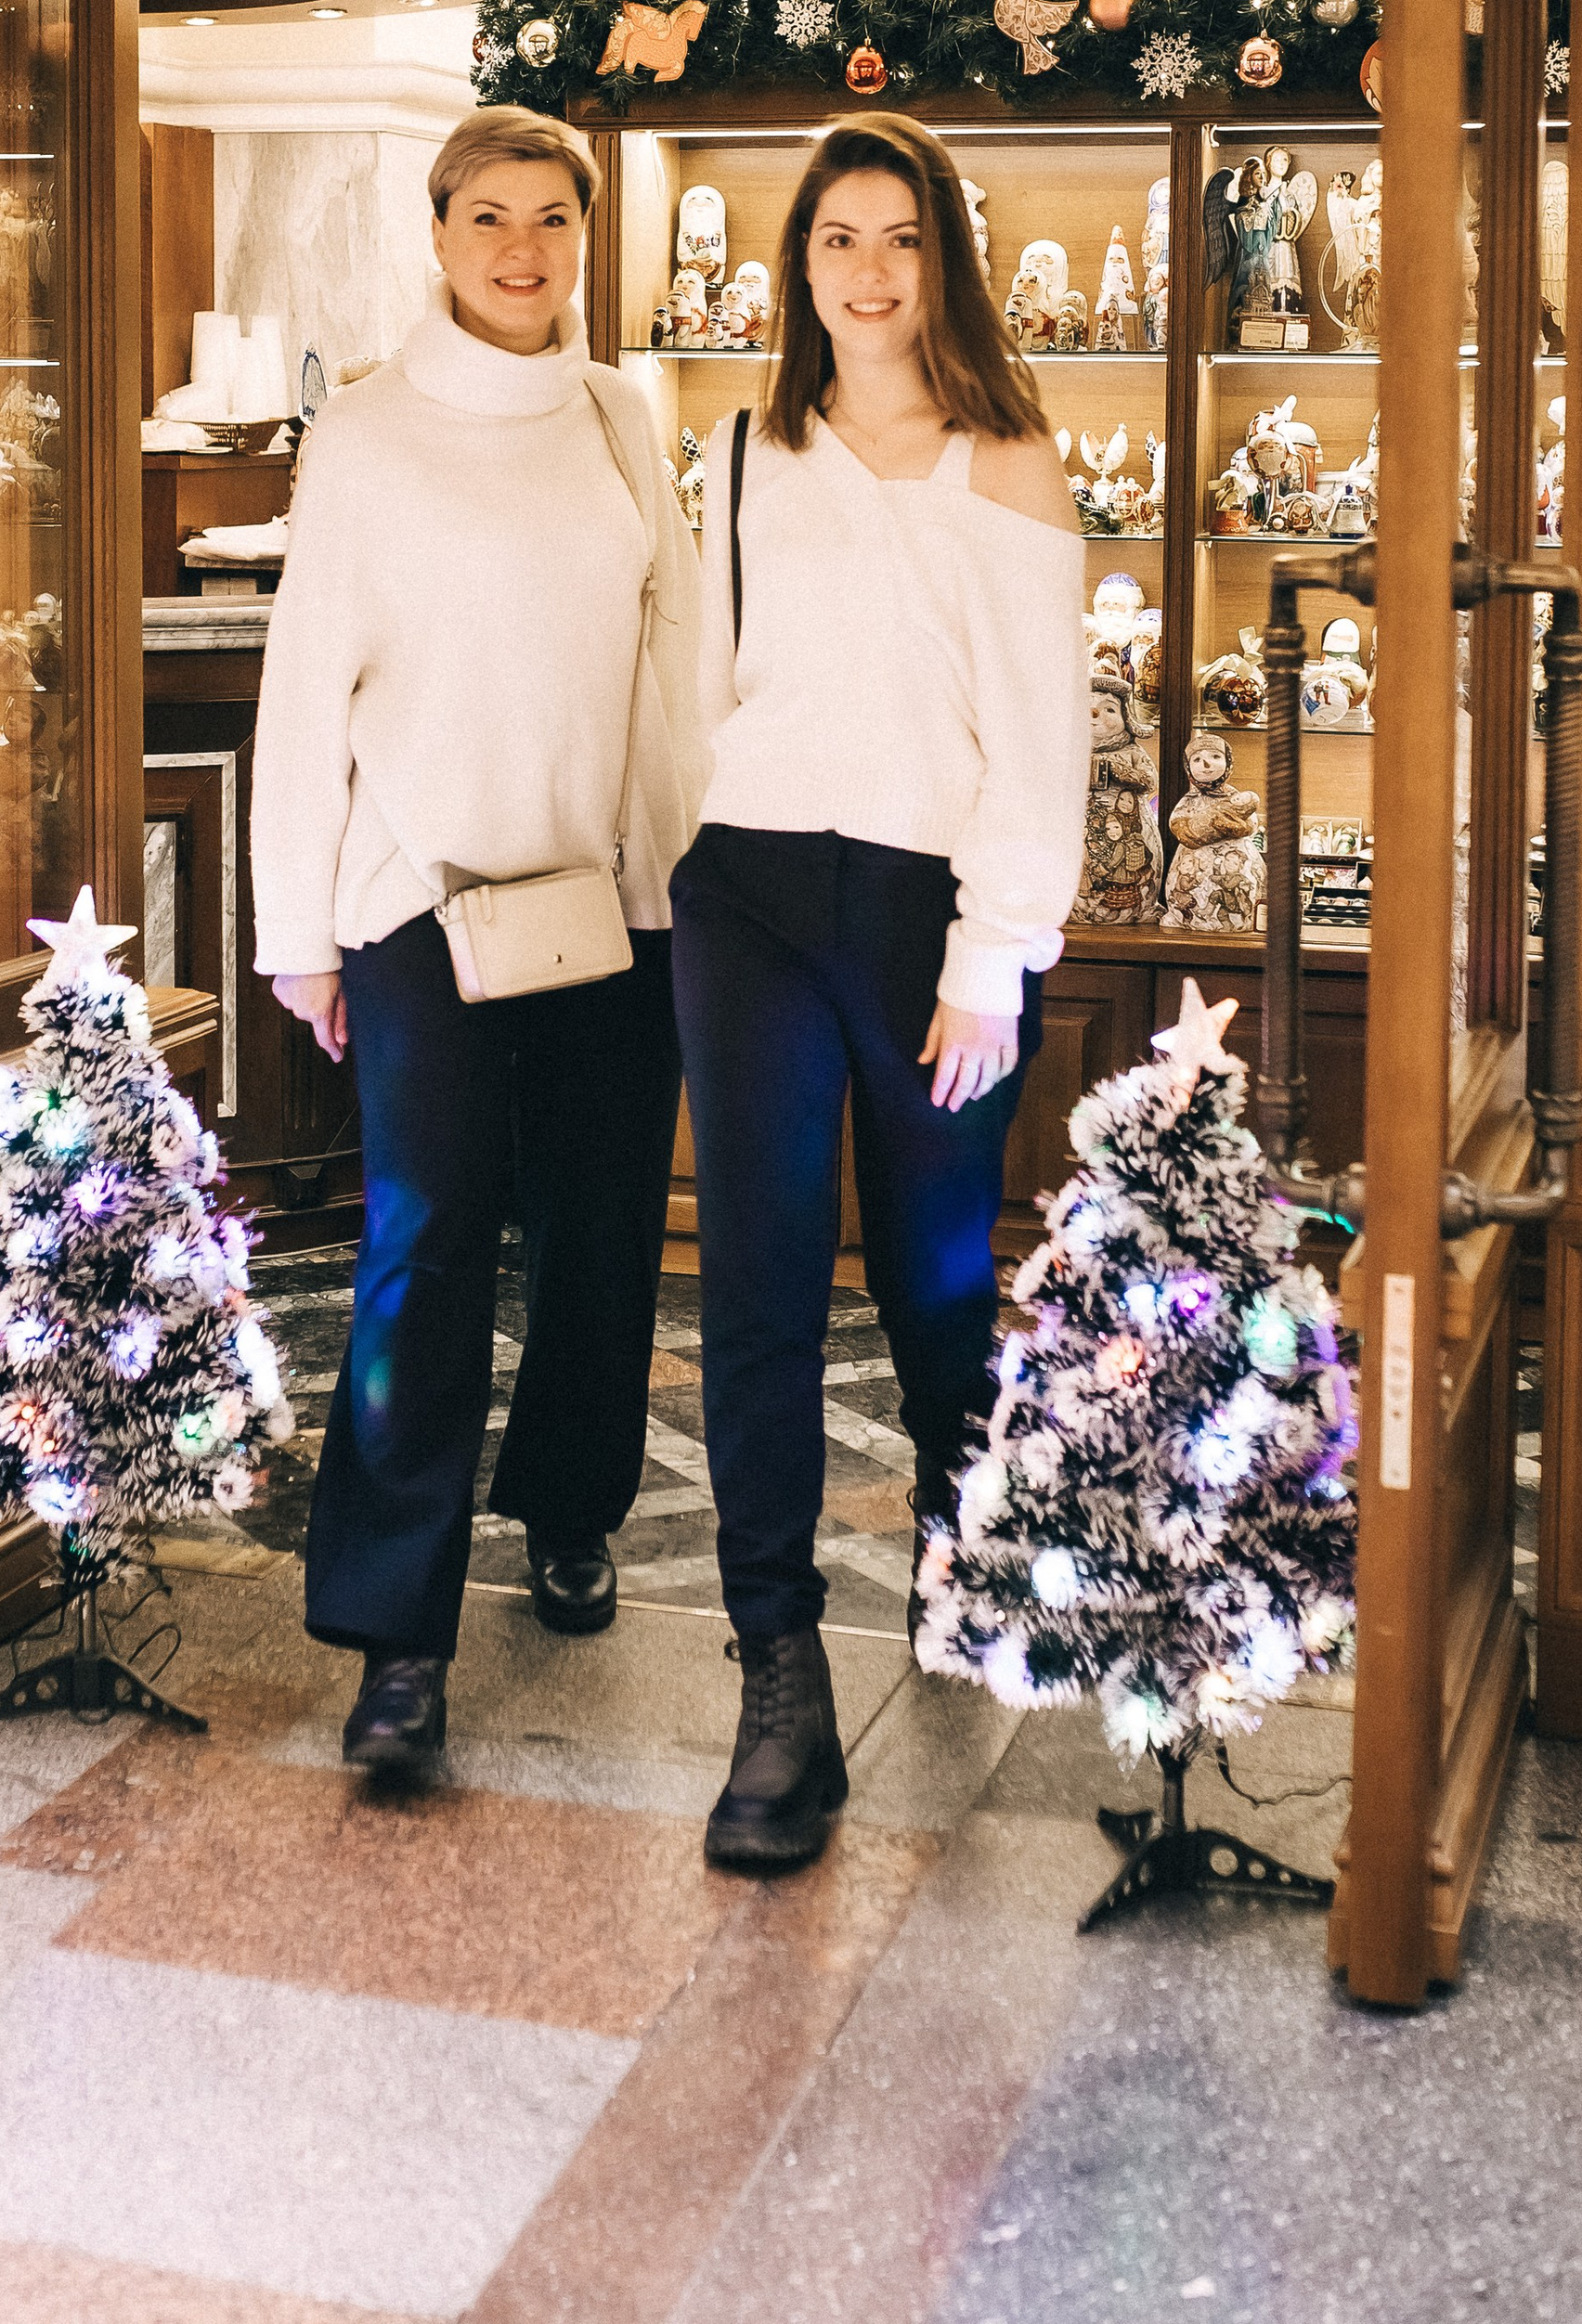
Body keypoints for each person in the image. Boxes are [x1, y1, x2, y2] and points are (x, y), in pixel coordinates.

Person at [252, 105, 706, 1785]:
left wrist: (682, 874)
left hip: (607, 897)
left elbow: (671, 661)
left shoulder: (618, 413)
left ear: (585, 243)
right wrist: (299, 931)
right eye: (491, 218)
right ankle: (396, 1637)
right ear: (437, 238)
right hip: (416, 909)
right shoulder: (364, 437)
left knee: (598, 1240)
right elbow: (307, 697)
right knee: (422, 1256)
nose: (525, 251)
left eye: (554, 223)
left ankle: (572, 1512)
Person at [672, 115, 1085, 1871]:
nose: (867, 269)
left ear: (942, 261)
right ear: (800, 269)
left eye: (898, 237)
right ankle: (779, 1681)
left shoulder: (1008, 463)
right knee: (758, 1284)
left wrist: (996, 953)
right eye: (836, 237)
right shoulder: (746, 452)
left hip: (934, 919)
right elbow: (706, 686)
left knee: (932, 1285)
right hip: (751, 894)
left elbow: (1045, 741)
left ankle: (959, 1543)